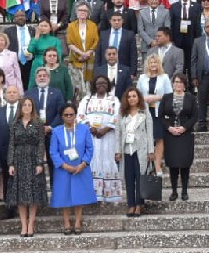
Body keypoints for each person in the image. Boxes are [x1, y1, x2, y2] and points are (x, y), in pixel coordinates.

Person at [49, 104, 96, 234]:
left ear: (76, 115)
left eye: (71, 114)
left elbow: (90, 148)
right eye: (66, 115)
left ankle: (77, 222)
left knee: (79, 194)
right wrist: (64, 165)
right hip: (63, 169)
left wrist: (84, 163)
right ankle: (66, 222)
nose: (69, 117)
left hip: (80, 167)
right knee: (64, 195)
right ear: (62, 117)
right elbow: (53, 152)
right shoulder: (57, 131)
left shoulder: (84, 129)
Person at [7, 96, 48, 237]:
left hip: (33, 159)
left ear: (32, 107)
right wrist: (10, 163)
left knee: (33, 192)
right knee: (20, 194)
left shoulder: (38, 123)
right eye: (24, 105)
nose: (26, 107)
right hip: (18, 160)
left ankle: (31, 224)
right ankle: (23, 224)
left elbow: (41, 144)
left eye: (29, 105)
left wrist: (39, 162)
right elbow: (11, 144)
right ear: (20, 107)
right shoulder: (15, 123)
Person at [79, 76, 122, 204]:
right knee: (92, 161)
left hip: (108, 137)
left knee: (107, 160)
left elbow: (117, 117)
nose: (101, 85)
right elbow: (80, 115)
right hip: (90, 136)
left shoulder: (114, 100)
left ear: (108, 85)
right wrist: (90, 127)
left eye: (104, 83)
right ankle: (92, 194)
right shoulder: (87, 99)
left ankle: (108, 196)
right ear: (94, 85)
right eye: (98, 83)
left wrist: (105, 130)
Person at [115, 88, 154, 218]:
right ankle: (131, 204)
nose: (132, 98)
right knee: (129, 178)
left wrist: (151, 150)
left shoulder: (144, 111)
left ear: (139, 98)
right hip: (127, 150)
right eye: (129, 97)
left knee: (140, 177)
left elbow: (150, 131)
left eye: (134, 96)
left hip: (141, 149)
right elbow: (118, 133)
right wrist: (118, 151)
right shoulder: (122, 113)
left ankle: (139, 205)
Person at [160, 74, 198, 201]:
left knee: (185, 163)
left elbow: (194, 116)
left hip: (185, 134)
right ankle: (174, 191)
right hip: (170, 135)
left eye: (181, 82)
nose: (178, 84)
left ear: (185, 84)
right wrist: (169, 128)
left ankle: (185, 191)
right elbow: (160, 116)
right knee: (173, 164)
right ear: (172, 83)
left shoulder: (191, 98)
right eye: (176, 82)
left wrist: (184, 127)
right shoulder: (166, 97)